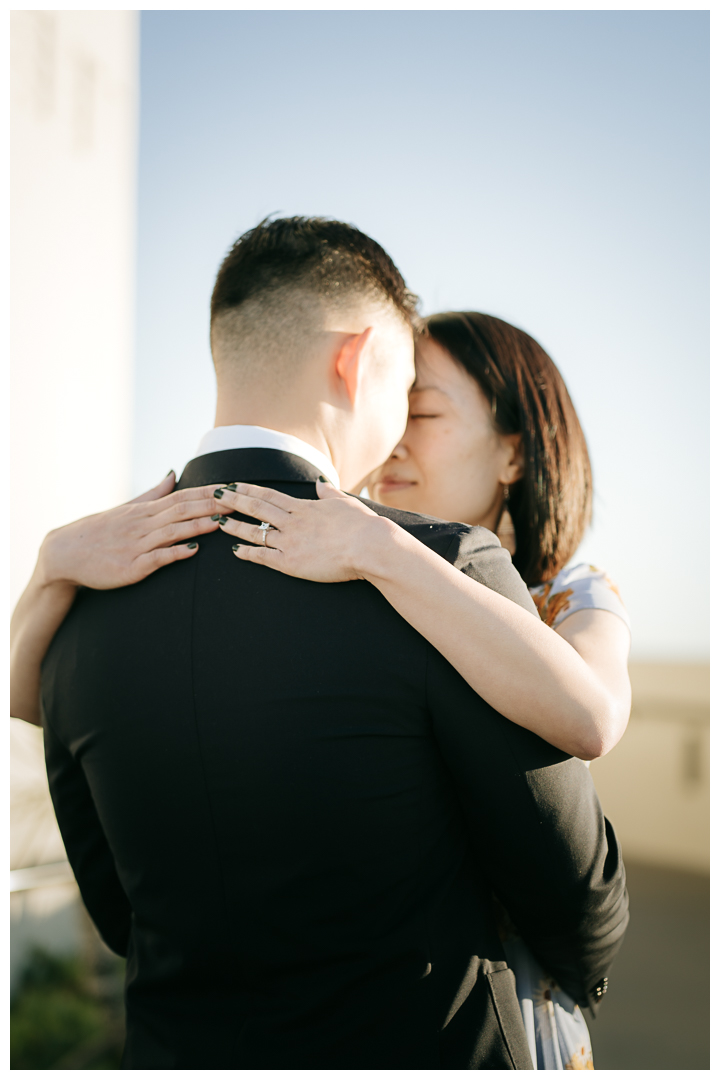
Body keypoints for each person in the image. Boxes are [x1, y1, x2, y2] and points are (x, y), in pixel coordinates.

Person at [11, 217, 628, 1069]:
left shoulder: (82, 598)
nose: (401, 433)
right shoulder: (439, 567)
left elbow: (120, 916)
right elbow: (571, 885)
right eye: (404, 389)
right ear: (358, 358)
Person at [201, 311, 633, 1069]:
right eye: (393, 404)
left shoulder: (570, 595)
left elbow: (592, 715)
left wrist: (381, 544)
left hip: (506, 1004)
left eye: (424, 412)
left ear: (515, 452)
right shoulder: (343, 573)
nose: (394, 435)